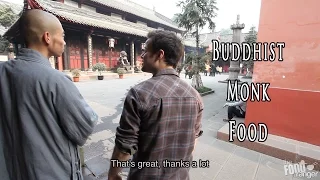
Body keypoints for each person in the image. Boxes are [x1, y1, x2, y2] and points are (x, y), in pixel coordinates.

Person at [0, 10, 98, 180]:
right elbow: (84, 127)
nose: (64, 42)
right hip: (52, 171)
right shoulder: (56, 80)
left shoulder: (2, 72)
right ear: (47, 37)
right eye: (62, 36)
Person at [108, 30, 204, 180]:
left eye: (145, 51)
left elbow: (125, 145)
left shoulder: (139, 94)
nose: (142, 55)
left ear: (160, 54)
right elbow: (194, 140)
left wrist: (113, 175)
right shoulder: (195, 96)